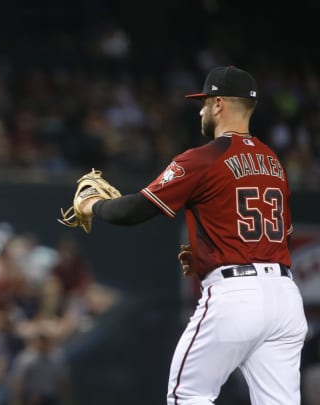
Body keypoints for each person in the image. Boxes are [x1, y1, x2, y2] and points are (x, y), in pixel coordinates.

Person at [76, 66, 308, 404]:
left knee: (188, 394)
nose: (200, 110)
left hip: (236, 297)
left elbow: (133, 211)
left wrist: (91, 205)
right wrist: (204, 253)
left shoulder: (204, 158)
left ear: (218, 105)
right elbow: (273, 237)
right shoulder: (273, 162)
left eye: (204, 102)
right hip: (285, 298)